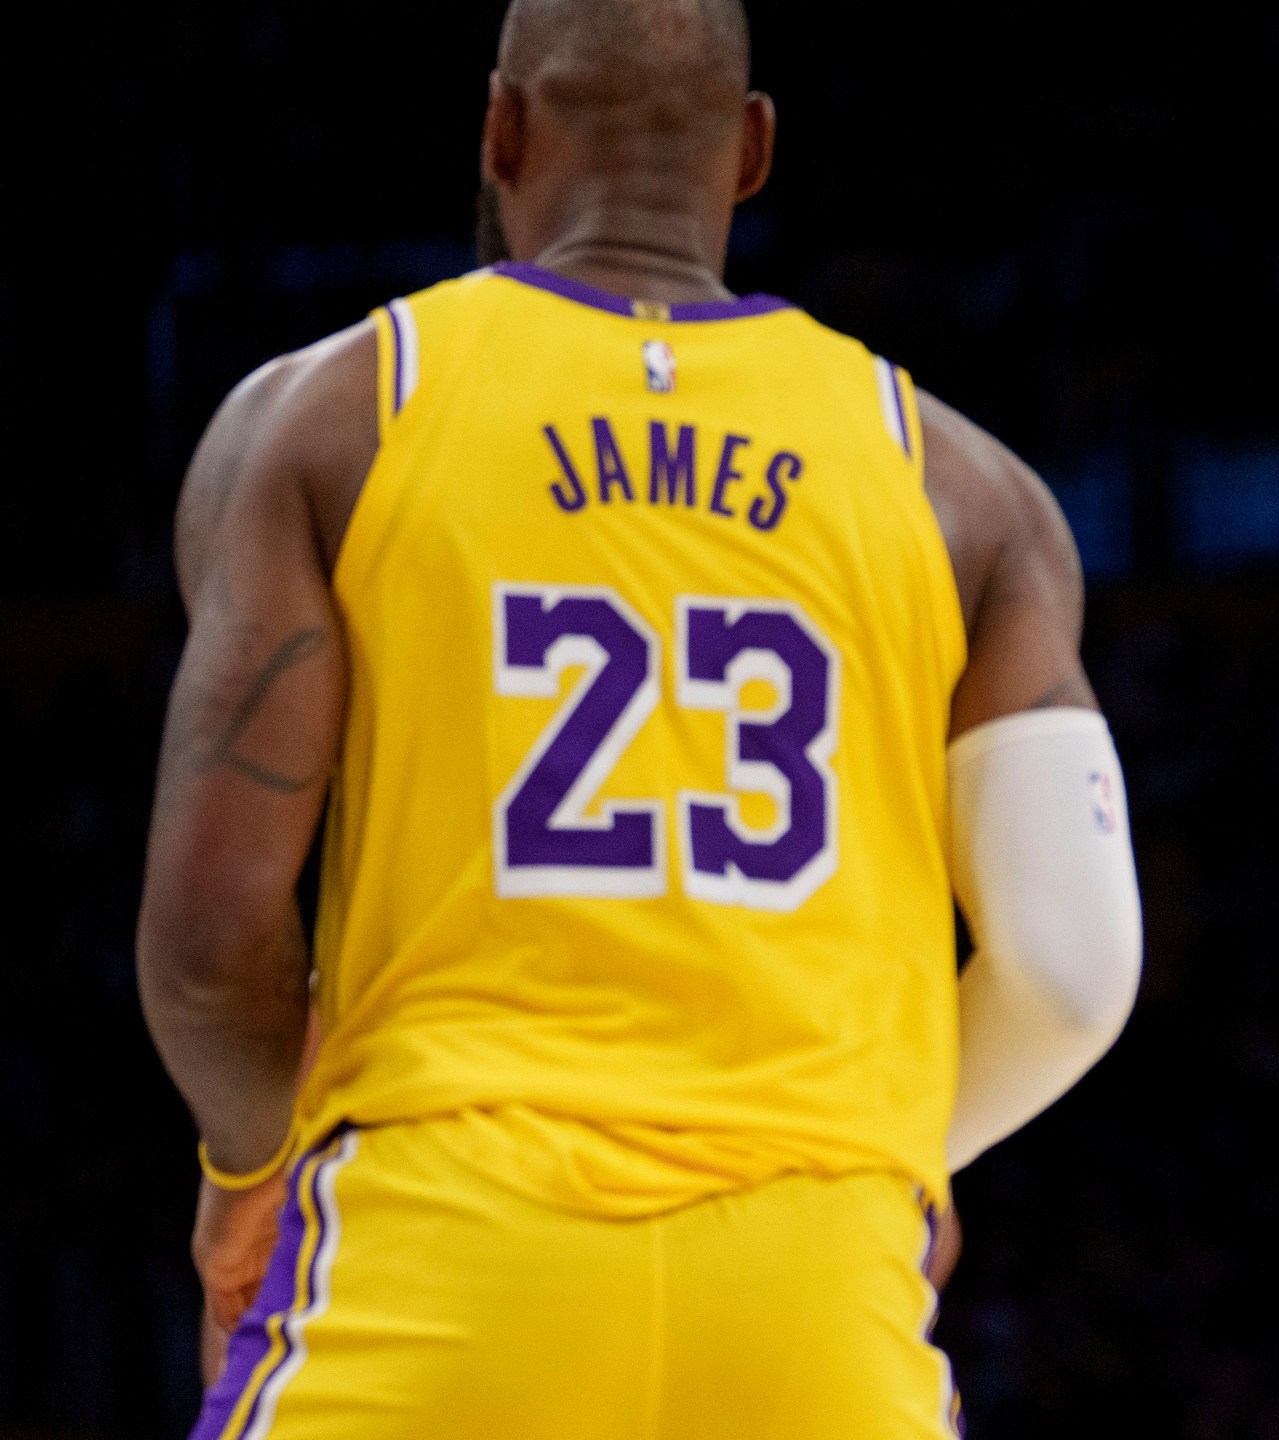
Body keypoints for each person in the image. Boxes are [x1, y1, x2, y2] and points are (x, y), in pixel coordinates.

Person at [136, 1, 1143, 1435]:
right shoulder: (967, 488)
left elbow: (208, 944)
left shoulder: (330, 418)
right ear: (750, 152)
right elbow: (1075, 972)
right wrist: (893, 1150)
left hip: (446, 1255)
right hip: (818, 1299)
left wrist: (250, 1190)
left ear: (500, 128)